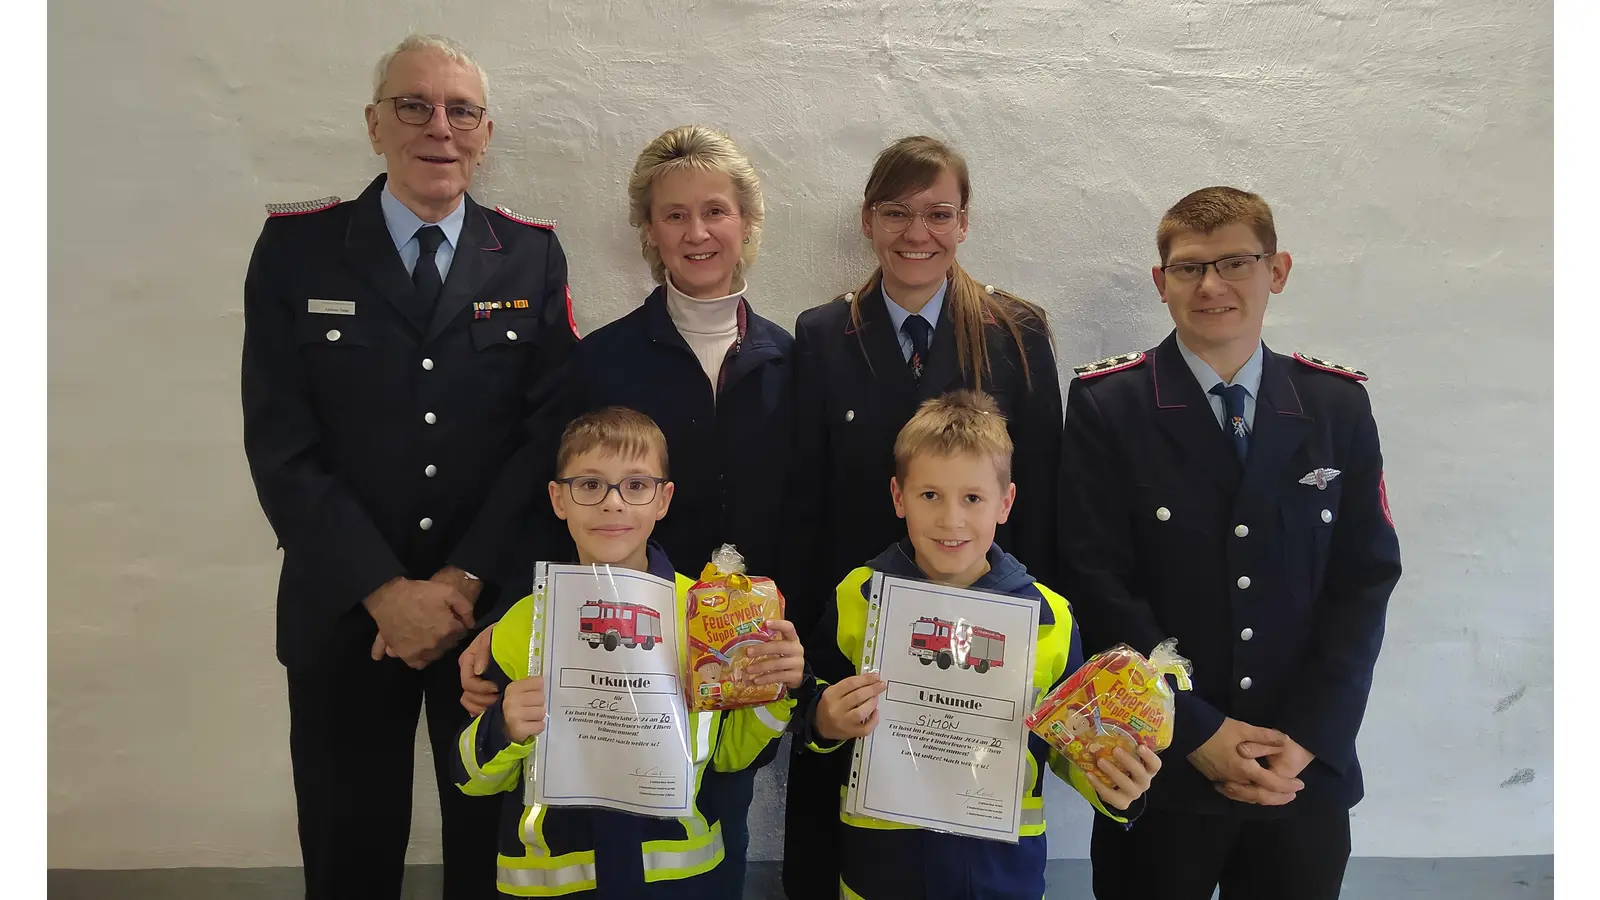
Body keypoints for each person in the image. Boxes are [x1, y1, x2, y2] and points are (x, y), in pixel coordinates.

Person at [240, 33, 576, 899]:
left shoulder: (532, 256)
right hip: (346, 614)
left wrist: (460, 581)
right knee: (348, 851)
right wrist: (386, 590)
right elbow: (281, 444)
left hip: (491, 614)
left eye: (461, 111)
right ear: (374, 124)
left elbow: (545, 441)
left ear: (486, 132)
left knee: (489, 851)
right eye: (413, 106)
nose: (440, 127)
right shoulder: (297, 251)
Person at [456, 125, 794, 893]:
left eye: (716, 210)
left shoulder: (794, 358)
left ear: (746, 224)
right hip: (609, 659)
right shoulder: (600, 360)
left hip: (739, 666)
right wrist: (507, 621)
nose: (697, 231)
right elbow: (551, 498)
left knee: (716, 835)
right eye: (673, 214)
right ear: (647, 230)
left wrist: (781, 650)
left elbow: (806, 510)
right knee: (596, 840)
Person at [1057, 186, 1403, 899]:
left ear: (1276, 270)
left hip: (1298, 772)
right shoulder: (1108, 405)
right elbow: (1095, 581)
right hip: (1158, 765)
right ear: (1161, 283)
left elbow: (1363, 583)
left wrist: (1307, 738)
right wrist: (1197, 732)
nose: (1211, 285)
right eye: (1188, 268)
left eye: (1235, 263)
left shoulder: (1335, 406)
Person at [776, 135, 1064, 898]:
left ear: (964, 223)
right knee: (835, 839)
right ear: (868, 221)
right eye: (897, 211)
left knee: (962, 843)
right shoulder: (818, 335)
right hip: (852, 632)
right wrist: (805, 661)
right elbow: (803, 505)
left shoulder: (1017, 333)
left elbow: (1039, 500)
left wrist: (1032, 640)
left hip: (981, 640)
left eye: (939, 213)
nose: (917, 232)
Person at [798, 391, 1159, 899]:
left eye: (972, 498)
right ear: (898, 497)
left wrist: (1111, 782)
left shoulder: (1049, 616)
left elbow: (1067, 743)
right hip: (880, 869)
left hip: (1001, 873)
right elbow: (811, 698)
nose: (951, 521)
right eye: (930, 496)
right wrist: (823, 720)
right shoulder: (859, 594)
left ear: (1005, 502)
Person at [452, 406, 808, 898]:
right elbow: (472, 780)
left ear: (664, 499)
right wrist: (504, 727)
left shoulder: (705, 617)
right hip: (555, 884)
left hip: (677, 882)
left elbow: (728, 757)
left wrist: (776, 690)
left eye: (636, 486)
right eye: (590, 485)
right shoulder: (520, 625)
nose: (613, 504)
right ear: (558, 499)